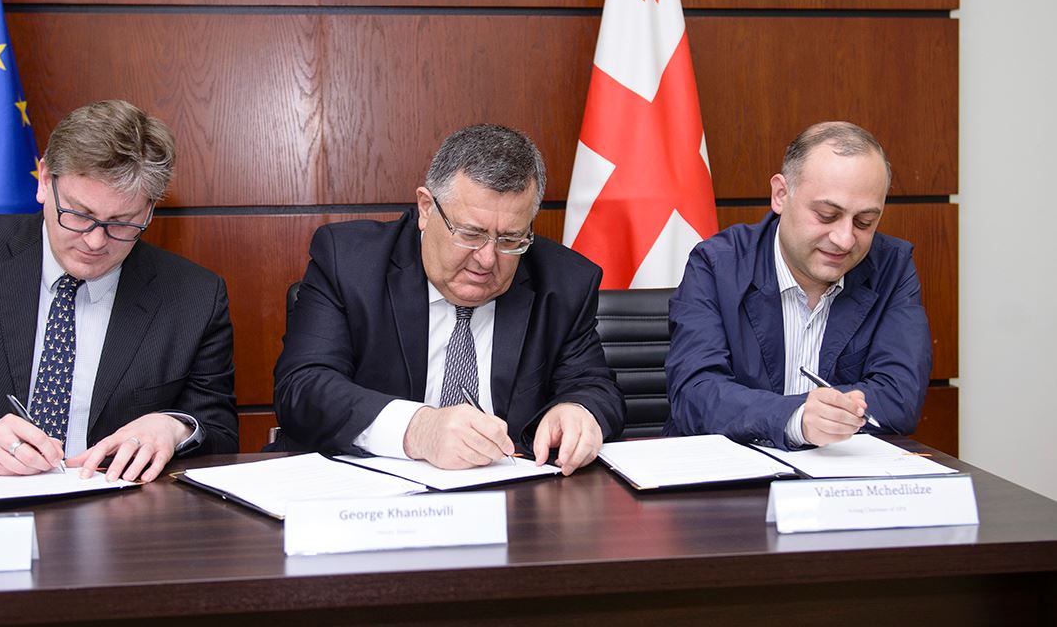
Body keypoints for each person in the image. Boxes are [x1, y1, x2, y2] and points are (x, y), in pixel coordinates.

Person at [0, 100, 237, 481]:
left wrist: (174, 428)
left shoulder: (195, 297)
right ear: (45, 180)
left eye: (122, 222)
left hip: (118, 511)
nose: (96, 241)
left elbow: (219, 431)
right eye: (79, 214)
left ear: (149, 210)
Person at [271, 124, 623, 474]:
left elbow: (595, 387)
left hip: (512, 495)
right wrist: (417, 428)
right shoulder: (349, 263)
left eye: (509, 240)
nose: (487, 259)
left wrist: (579, 411)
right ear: (426, 209)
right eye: (470, 234)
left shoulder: (565, 282)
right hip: (367, 492)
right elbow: (303, 387)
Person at [664, 121, 932, 449]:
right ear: (781, 195)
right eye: (826, 215)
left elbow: (899, 398)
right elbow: (695, 394)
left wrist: (813, 417)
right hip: (728, 473)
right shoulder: (717, 264)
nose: (845, 239)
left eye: (864, 222)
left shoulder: (891, 267)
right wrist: (796, 418)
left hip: (839, 473)